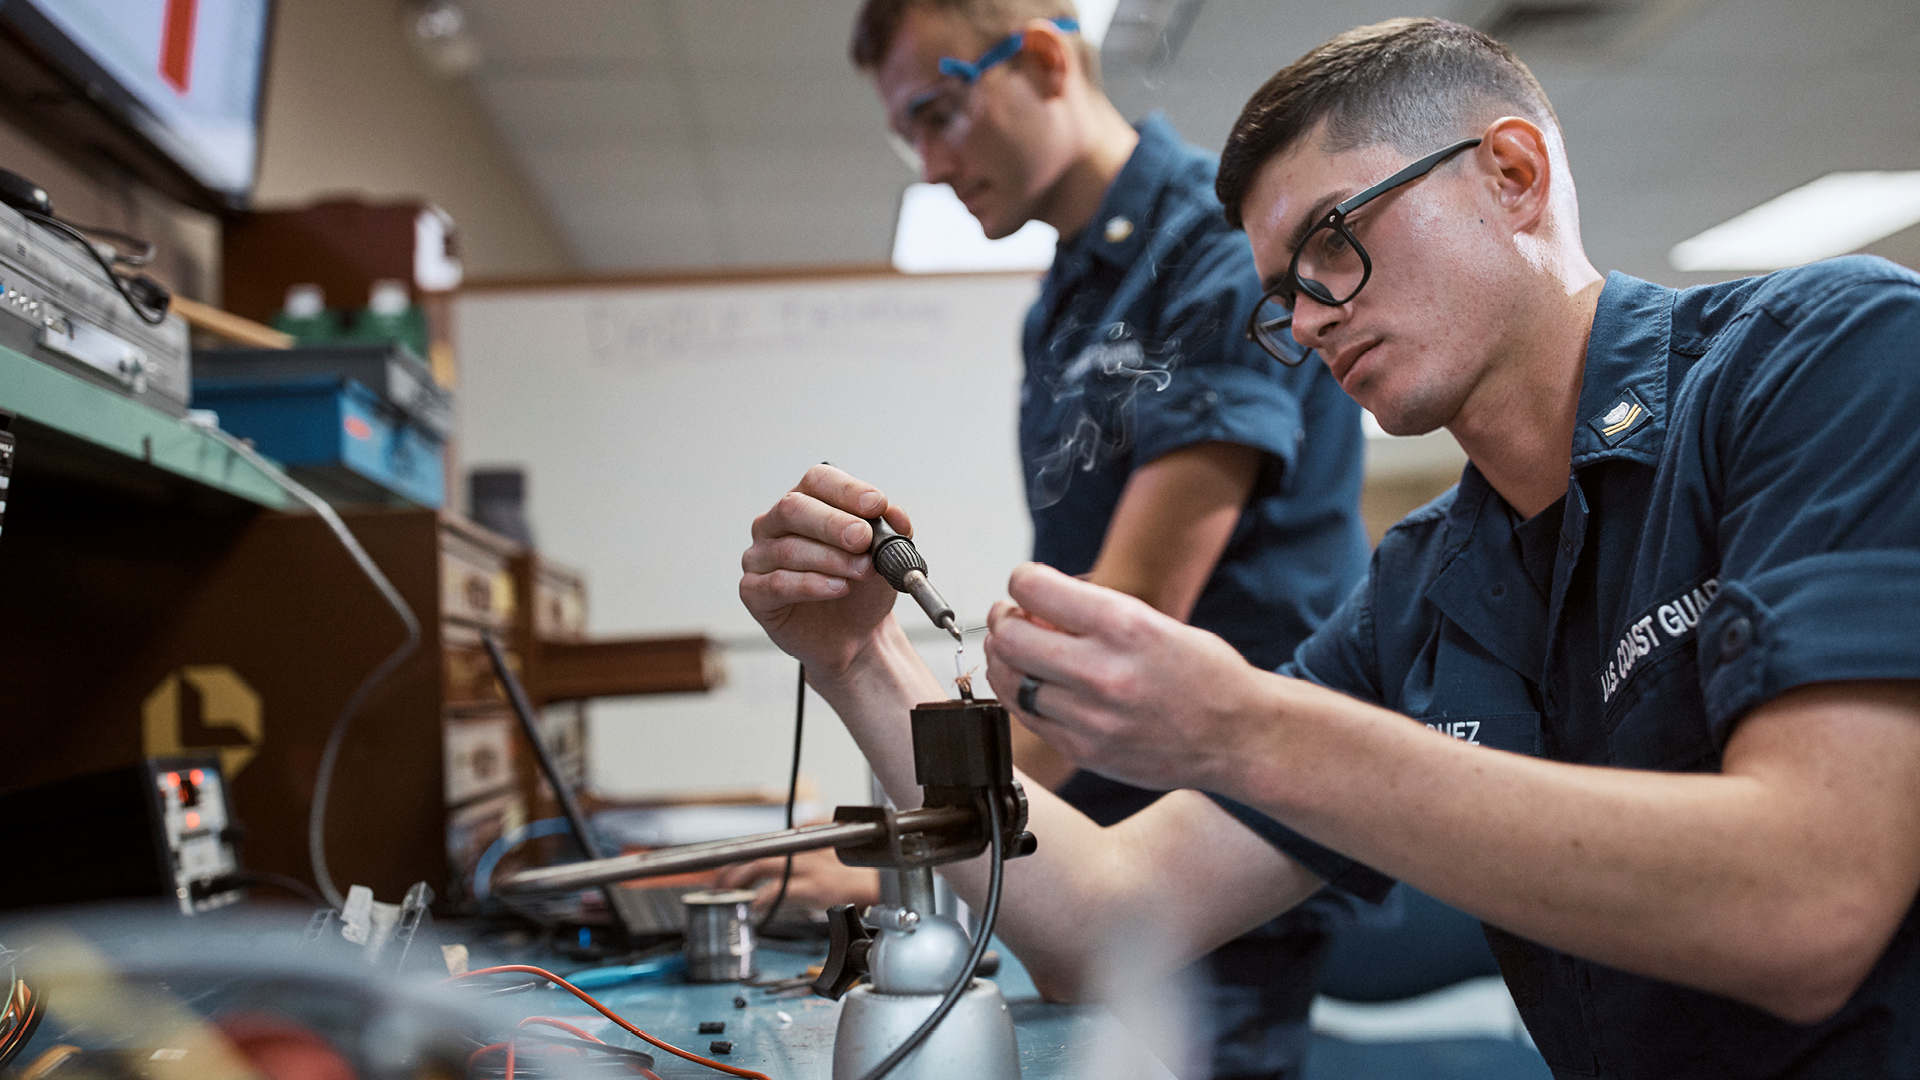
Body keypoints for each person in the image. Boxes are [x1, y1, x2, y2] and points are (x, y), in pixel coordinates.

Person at [738, 16, 1920, 1078]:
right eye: (1281, 294)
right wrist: (862, 666)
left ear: (1512, 174)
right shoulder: (1429, 583)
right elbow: (1096, 926)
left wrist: (1243, 728)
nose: (1304, 322)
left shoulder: (1823, 361)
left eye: (1334, 239)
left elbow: (1808, 903)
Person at [720, 3, 1372, 1076]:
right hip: (1072, 834)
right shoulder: (1068, 294)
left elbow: (1118, 633)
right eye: (906, 134)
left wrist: (914, 857)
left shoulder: (1216, 254)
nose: (929, 164)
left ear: (1037, 57)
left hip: (1205, 850)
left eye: (939, 113)